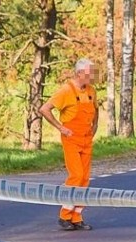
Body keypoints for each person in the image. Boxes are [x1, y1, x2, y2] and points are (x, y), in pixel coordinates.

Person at [39, 58, 99, 231]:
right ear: (80, 73)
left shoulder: (91, 91)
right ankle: (64, 216)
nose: (92, 77)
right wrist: (61, 128)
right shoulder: (66, 90)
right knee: (76, 176)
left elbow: (96, 109)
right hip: (71, 139)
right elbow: (44, 109)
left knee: (85, 178)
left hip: (86, 140)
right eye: (89, 74)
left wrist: (94, 126)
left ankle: (77, 217)